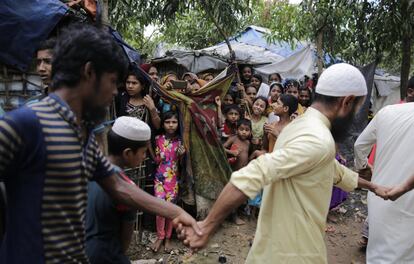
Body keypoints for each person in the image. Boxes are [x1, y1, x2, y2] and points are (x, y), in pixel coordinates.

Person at [0, 25, 200, 264]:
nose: (116, 92)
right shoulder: (25, 124)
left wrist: (177, 212)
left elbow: (119, 186)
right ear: (89, 72)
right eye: (113, 81)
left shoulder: (80, 135)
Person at [177, 63, 390, 264]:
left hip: (273, 247)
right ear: (347, 101)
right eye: (357, 109)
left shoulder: (301, 126)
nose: (354, 117)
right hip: (295, 252)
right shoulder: (319, 140)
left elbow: (328, 168)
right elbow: (252, 174)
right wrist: (207, 226)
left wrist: (372, 186)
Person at [354, 101, 414, 263]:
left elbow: (360, 145)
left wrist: (363, 167)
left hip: (379, 193)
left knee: (377, 252)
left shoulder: (387, 112)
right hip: (408, 200)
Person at [85, 117, 149, 264]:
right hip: (106, 255)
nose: (145, 157)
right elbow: (125, 239)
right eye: (143, 152)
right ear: (127, 153)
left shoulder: (90, 169)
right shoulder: (126, 188)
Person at [151, 111, 185, 253]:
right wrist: (149, 147)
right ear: (163, 124)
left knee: (170, 210)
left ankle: (168, 238)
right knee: (160, 208)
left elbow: (182, 164)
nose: (171, 125)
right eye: (167, 122)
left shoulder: (181, 141)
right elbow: (156, 160)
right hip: (159, 178)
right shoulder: (158, 139)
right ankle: (160, 236)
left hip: (173, 180)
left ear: (178, 124)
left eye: (174, 122)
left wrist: (181, 155)